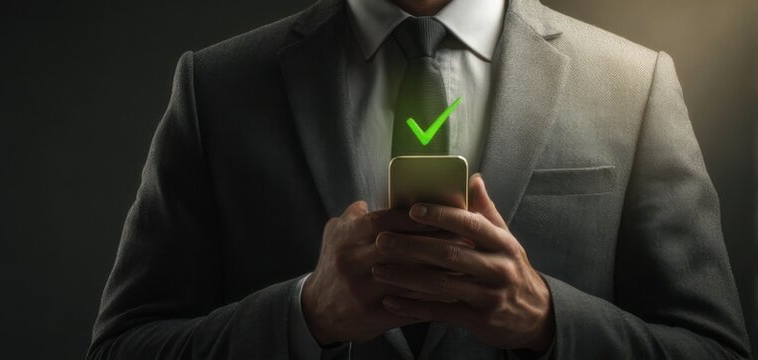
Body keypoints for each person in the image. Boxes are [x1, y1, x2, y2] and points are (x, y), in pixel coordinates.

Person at [87, 0, 752, 358]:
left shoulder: (634, 85)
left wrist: (550, 322)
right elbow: (123, 348)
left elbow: (715, 350)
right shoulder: (217, 88)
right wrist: (305, 316)